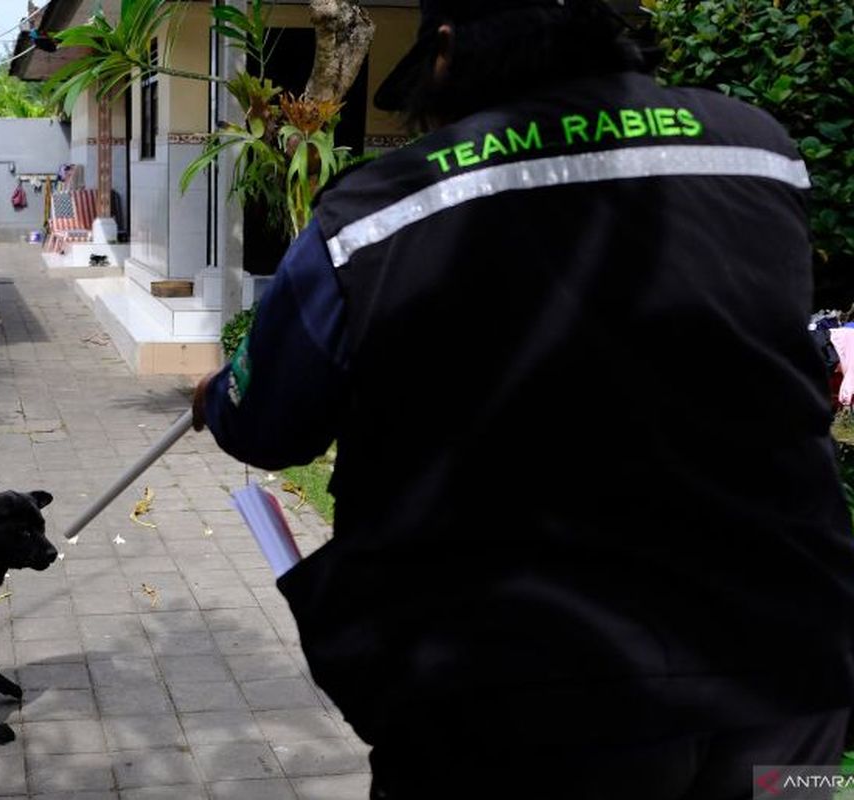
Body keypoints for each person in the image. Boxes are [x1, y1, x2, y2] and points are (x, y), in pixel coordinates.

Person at [191, 0, 854, 796]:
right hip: (788, 680)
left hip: (517, 706)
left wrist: (221, 395)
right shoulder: (762, 151)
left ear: (446, 51)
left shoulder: (375, 212)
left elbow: (268, 425)